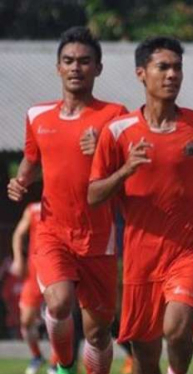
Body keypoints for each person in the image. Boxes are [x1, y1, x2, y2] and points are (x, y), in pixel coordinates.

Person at [87, 36, 193, 374]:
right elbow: (93, 195)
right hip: (141, 257)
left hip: (189, 250)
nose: (172, 74)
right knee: (145, 356)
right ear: (141, 74)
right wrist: (126, 170)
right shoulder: (117, 132)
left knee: (176, 329)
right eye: (163, 67)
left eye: (177, 67)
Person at [6, 26, 127, 374]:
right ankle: (64, 367)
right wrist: (20, 181)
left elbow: (128, 171)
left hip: (97, 237)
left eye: (85, 62)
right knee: (58, 303)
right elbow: (32, 158)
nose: (76, 68)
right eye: (69, 61)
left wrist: (103, 151)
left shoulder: (115, 115)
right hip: (52, 231)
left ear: (98, 68)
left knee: (98, 331)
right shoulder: (36, 116)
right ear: (58, 67)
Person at [11, 202, 59, 374]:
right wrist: (19, 259)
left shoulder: (62, 205)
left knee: (58, 318)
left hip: (55, 271)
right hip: (33, 273)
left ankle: (56, 363)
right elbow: (18, 234)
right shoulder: (32, 209)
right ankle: (37, 356)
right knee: (25, 320)